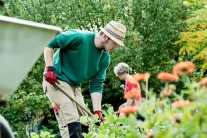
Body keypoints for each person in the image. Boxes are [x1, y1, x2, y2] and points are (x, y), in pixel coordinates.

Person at [42, 21, 126, 138]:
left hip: (75, 85)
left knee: (86, 124)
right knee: (72, 123)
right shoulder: (79, 37)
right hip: (57, 80)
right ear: (106, 36)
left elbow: (96, 84)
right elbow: (49, 42)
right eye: (115, 43)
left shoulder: (104, 58)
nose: (116, 48)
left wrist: (97, 111)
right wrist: (50, 68)